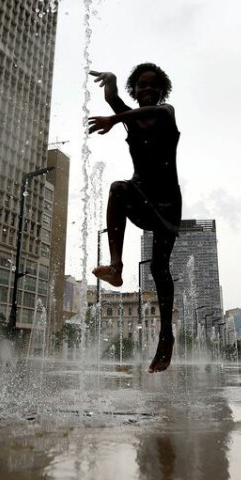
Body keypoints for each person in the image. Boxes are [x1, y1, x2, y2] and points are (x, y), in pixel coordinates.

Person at [87, 63, 181, 373]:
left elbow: (131, 114)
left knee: (158, 266)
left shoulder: (167, 112)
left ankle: (165, 337)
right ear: (135, 89)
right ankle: (116, 267)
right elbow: (114, 100)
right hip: (140, 194)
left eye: (152, 86)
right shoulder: (132, 118)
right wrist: (111, 82)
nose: (147, 90)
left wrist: (116, 118)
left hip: (166, 203)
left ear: (161, 90)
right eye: (141, 86)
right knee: (117, 189)